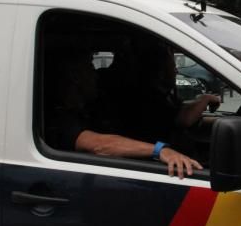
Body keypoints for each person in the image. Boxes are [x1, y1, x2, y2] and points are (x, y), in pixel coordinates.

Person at [47, 43, 209, 179]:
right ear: (75, 77)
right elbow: (99, 145)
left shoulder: (95, 106)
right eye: (89, 67)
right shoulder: (62, 119)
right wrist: (160, 150)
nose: (96, 75)